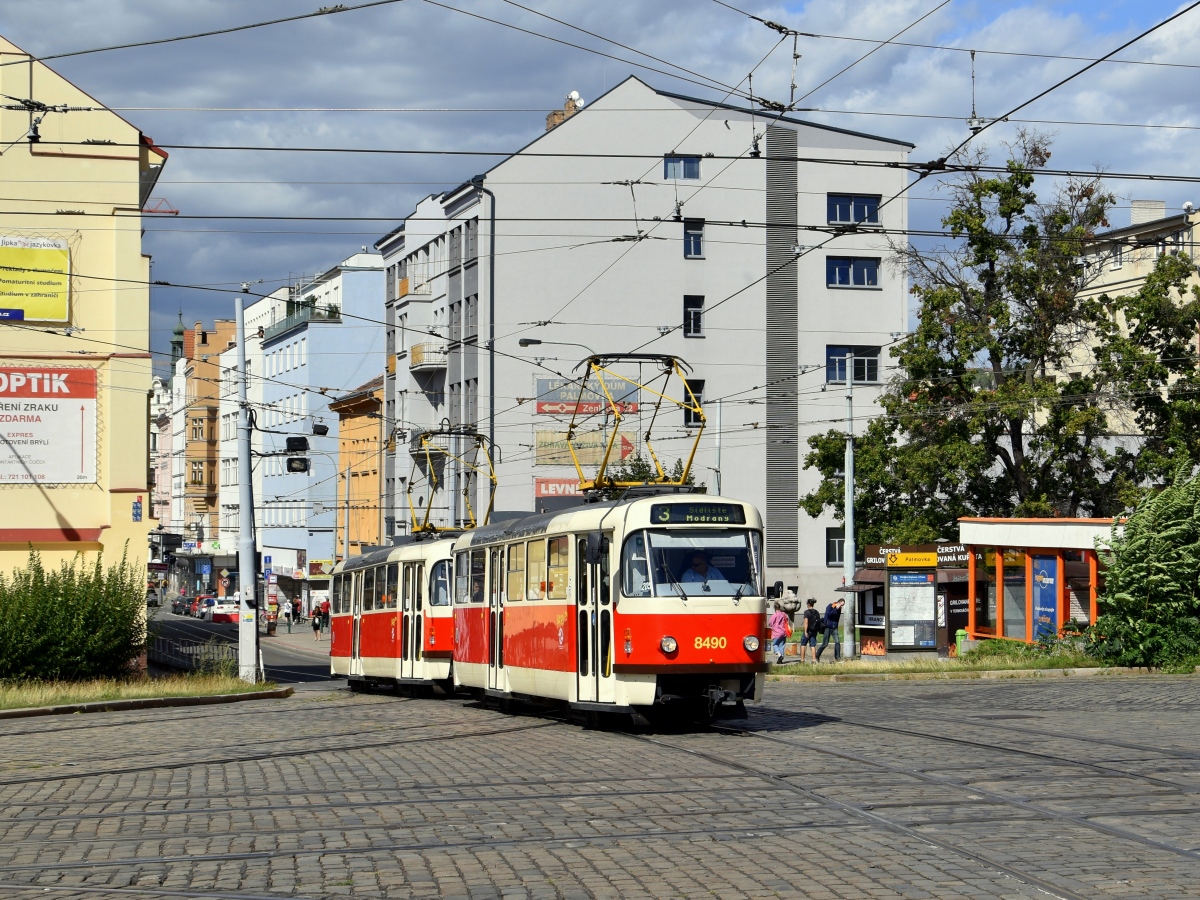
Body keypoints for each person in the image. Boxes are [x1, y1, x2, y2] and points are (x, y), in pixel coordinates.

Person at [815, 598, 845, 662]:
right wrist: (836, 609)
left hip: (834, 628)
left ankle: (837, 657)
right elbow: (829, 615)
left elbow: (837, 618)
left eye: (843, 605)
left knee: (837, 642)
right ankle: (817, 656)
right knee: (825, 643)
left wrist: (838, 609)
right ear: (838, 603)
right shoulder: (830, 606)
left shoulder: (839, 610)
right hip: (828, 627)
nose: (841, 607)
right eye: (841, 605)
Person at [800, 598, 822, 663]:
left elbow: (806, 622)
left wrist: (805, 631)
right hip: (814, 631)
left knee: (803, 644)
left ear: (808, 604)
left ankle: (802, 659)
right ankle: (814, 659)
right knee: (813, 645)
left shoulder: (806, 612)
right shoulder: (817, 612)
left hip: (808, 630)